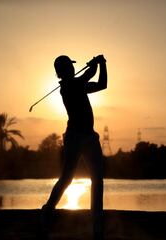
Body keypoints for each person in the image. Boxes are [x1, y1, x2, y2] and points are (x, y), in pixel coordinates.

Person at [42, 54, 107, 239]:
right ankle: (47, 212)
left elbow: (102, 84)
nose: (71, 69)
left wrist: (102, 65)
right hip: (74, 137)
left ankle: (97, 222)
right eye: (68, 67)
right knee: (67, 178)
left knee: (97, 179)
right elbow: (89, 74)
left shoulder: (78, 85)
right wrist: (96, 64)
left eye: (71, 67)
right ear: (61, 72)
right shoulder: (69, 87)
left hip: (90, 136)